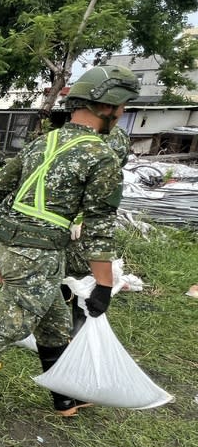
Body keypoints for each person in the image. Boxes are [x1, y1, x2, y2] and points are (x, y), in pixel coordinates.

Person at [0, 65, 139, 418]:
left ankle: (65, 397)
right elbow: (100, 226)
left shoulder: (44, 142)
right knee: (3, 329)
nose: (121, 115)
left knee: (56, 323)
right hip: (36, 256)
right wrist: (103, 284)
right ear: (107, 106)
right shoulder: (100, 155)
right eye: (121, 108)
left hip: (18, 246)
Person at [63, 124, 131, 334]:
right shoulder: (75, 137)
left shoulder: (113, 139)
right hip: (62, 217)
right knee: (62, 267)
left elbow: (101, 199)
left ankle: (78, 323)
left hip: (85, 222)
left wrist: (82, 218)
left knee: (83, 270)